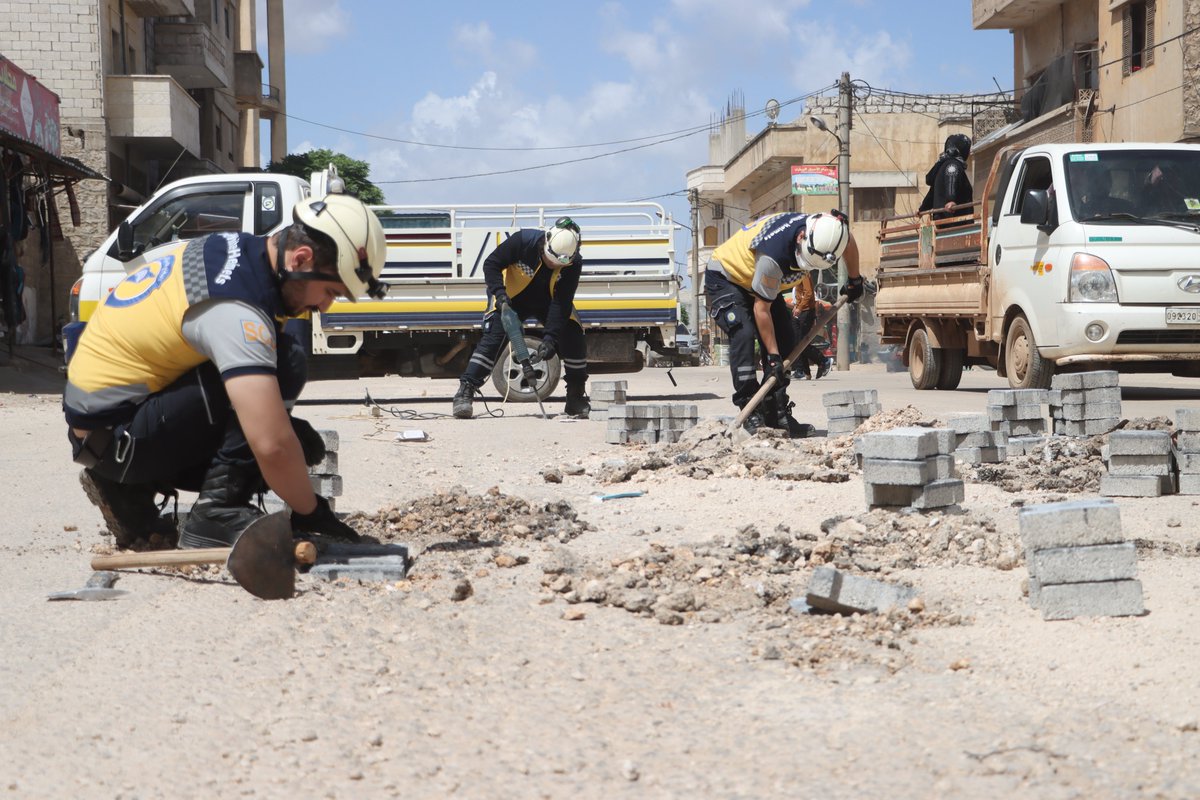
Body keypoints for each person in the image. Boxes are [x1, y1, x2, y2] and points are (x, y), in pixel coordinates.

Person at [65, 193, 388, 549]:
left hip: (107, 430)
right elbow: (271, 445)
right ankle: (218, 512)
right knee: (282, 366)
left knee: (276, 376)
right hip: (119, 443)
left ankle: (127, 490)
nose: (325, 305)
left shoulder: (237, 250)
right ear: (301, 258)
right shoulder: (236, 309)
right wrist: (310, 511)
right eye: (330, 291)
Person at [704, 210, 864, 436]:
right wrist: (773, 357)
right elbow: (761, 309)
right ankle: (750, 410)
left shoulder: (831, 231)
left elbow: (848, 242)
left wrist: (855, 279)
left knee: (787, 340)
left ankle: (776, 414)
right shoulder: (774, 254)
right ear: (801, 238)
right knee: (744, 333)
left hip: (758, 284)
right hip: (728, 278)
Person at [452, 217, 590, 420]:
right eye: (549, 259)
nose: (552, 265)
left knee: (573, 333)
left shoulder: (574, 262)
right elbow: (491, 264)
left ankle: (575, 397)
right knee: (492, 339)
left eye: (557, 263)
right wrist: (500, 295)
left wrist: (550, 338)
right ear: (546, 241)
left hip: (549, 301)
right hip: (510, 298)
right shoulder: (523, 241)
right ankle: (465, 391)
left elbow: (562, 302)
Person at [919, 134, 973, 219]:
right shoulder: (953, 165)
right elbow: (951, 181)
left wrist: (922, 209)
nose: (969, 153)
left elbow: (932, 193)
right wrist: (951, 200)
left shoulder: (942, 166)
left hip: (941, 220)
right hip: (954, 222)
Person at [789, 272, 831, 381]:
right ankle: (804, 371)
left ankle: (823, 360)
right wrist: (796, 306)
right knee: (796, 342)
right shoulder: (795, 275)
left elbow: (808, 293)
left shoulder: (804, 273)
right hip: (799, 310)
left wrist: (800, 307)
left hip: (806, 311)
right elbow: (799, 294)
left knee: (802, 342)